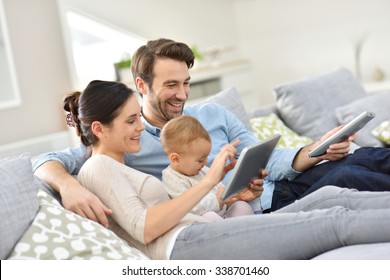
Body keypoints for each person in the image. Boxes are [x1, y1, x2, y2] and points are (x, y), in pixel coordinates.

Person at [33, 38, 390, 227]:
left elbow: (269, 157)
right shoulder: (125, 138)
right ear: (141, 85)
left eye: (187, 83)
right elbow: (46, 160)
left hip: (283, 183)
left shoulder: (212, 113)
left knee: (367, 157)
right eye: (171, 84)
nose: (183, 95)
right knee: (350, 175)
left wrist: (317, 150)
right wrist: (68, 185)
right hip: (262, 208)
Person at [65, 79, 390, 260]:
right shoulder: (96, 169)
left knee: (333, 196)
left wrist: (231, 196)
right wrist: (210, 180)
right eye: (131, 120)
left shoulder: (119, 164)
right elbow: (146, 228)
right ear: (98, 128)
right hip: (184, 245)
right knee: (333, 220)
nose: (141, 127)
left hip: (202, 228)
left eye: (138, 117)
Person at [160, 115, 254, 221]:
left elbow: (220, 191)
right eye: (200, 160)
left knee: (241, 206)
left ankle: (244, 231)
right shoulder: (171, 178)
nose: (205, 163)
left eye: (206, 157)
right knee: (209, 216)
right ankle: (232, 233)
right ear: (176, 159)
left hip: (224, 216)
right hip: (200, 222)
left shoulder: (201, 169)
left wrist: (231, 197)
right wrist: (219, 199)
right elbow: (191, 208)